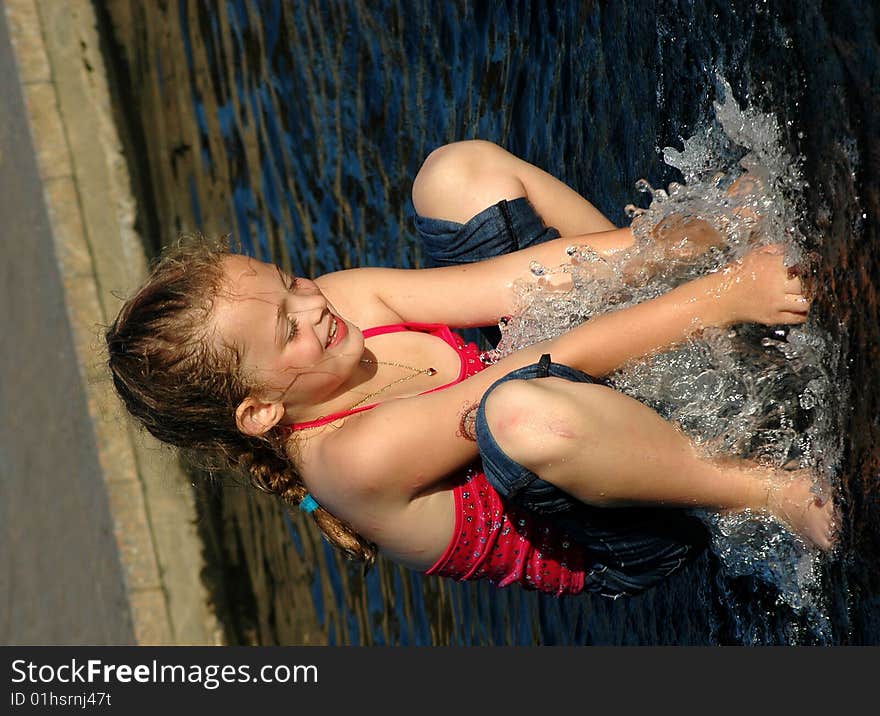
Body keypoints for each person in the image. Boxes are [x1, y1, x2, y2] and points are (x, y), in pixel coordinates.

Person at [106, 140, 836, 599]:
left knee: (454, 174)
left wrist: (698, 239)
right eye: (285, 327)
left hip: (566, 391)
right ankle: (764, 490)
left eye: (288, 279)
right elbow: (552, 364)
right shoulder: (349, 461)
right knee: (516, 416)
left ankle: (687, 277)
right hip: (608, 520)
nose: (311, 303)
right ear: (261, 411)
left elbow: (531, 281)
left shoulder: (339, 303)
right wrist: (722, 296)